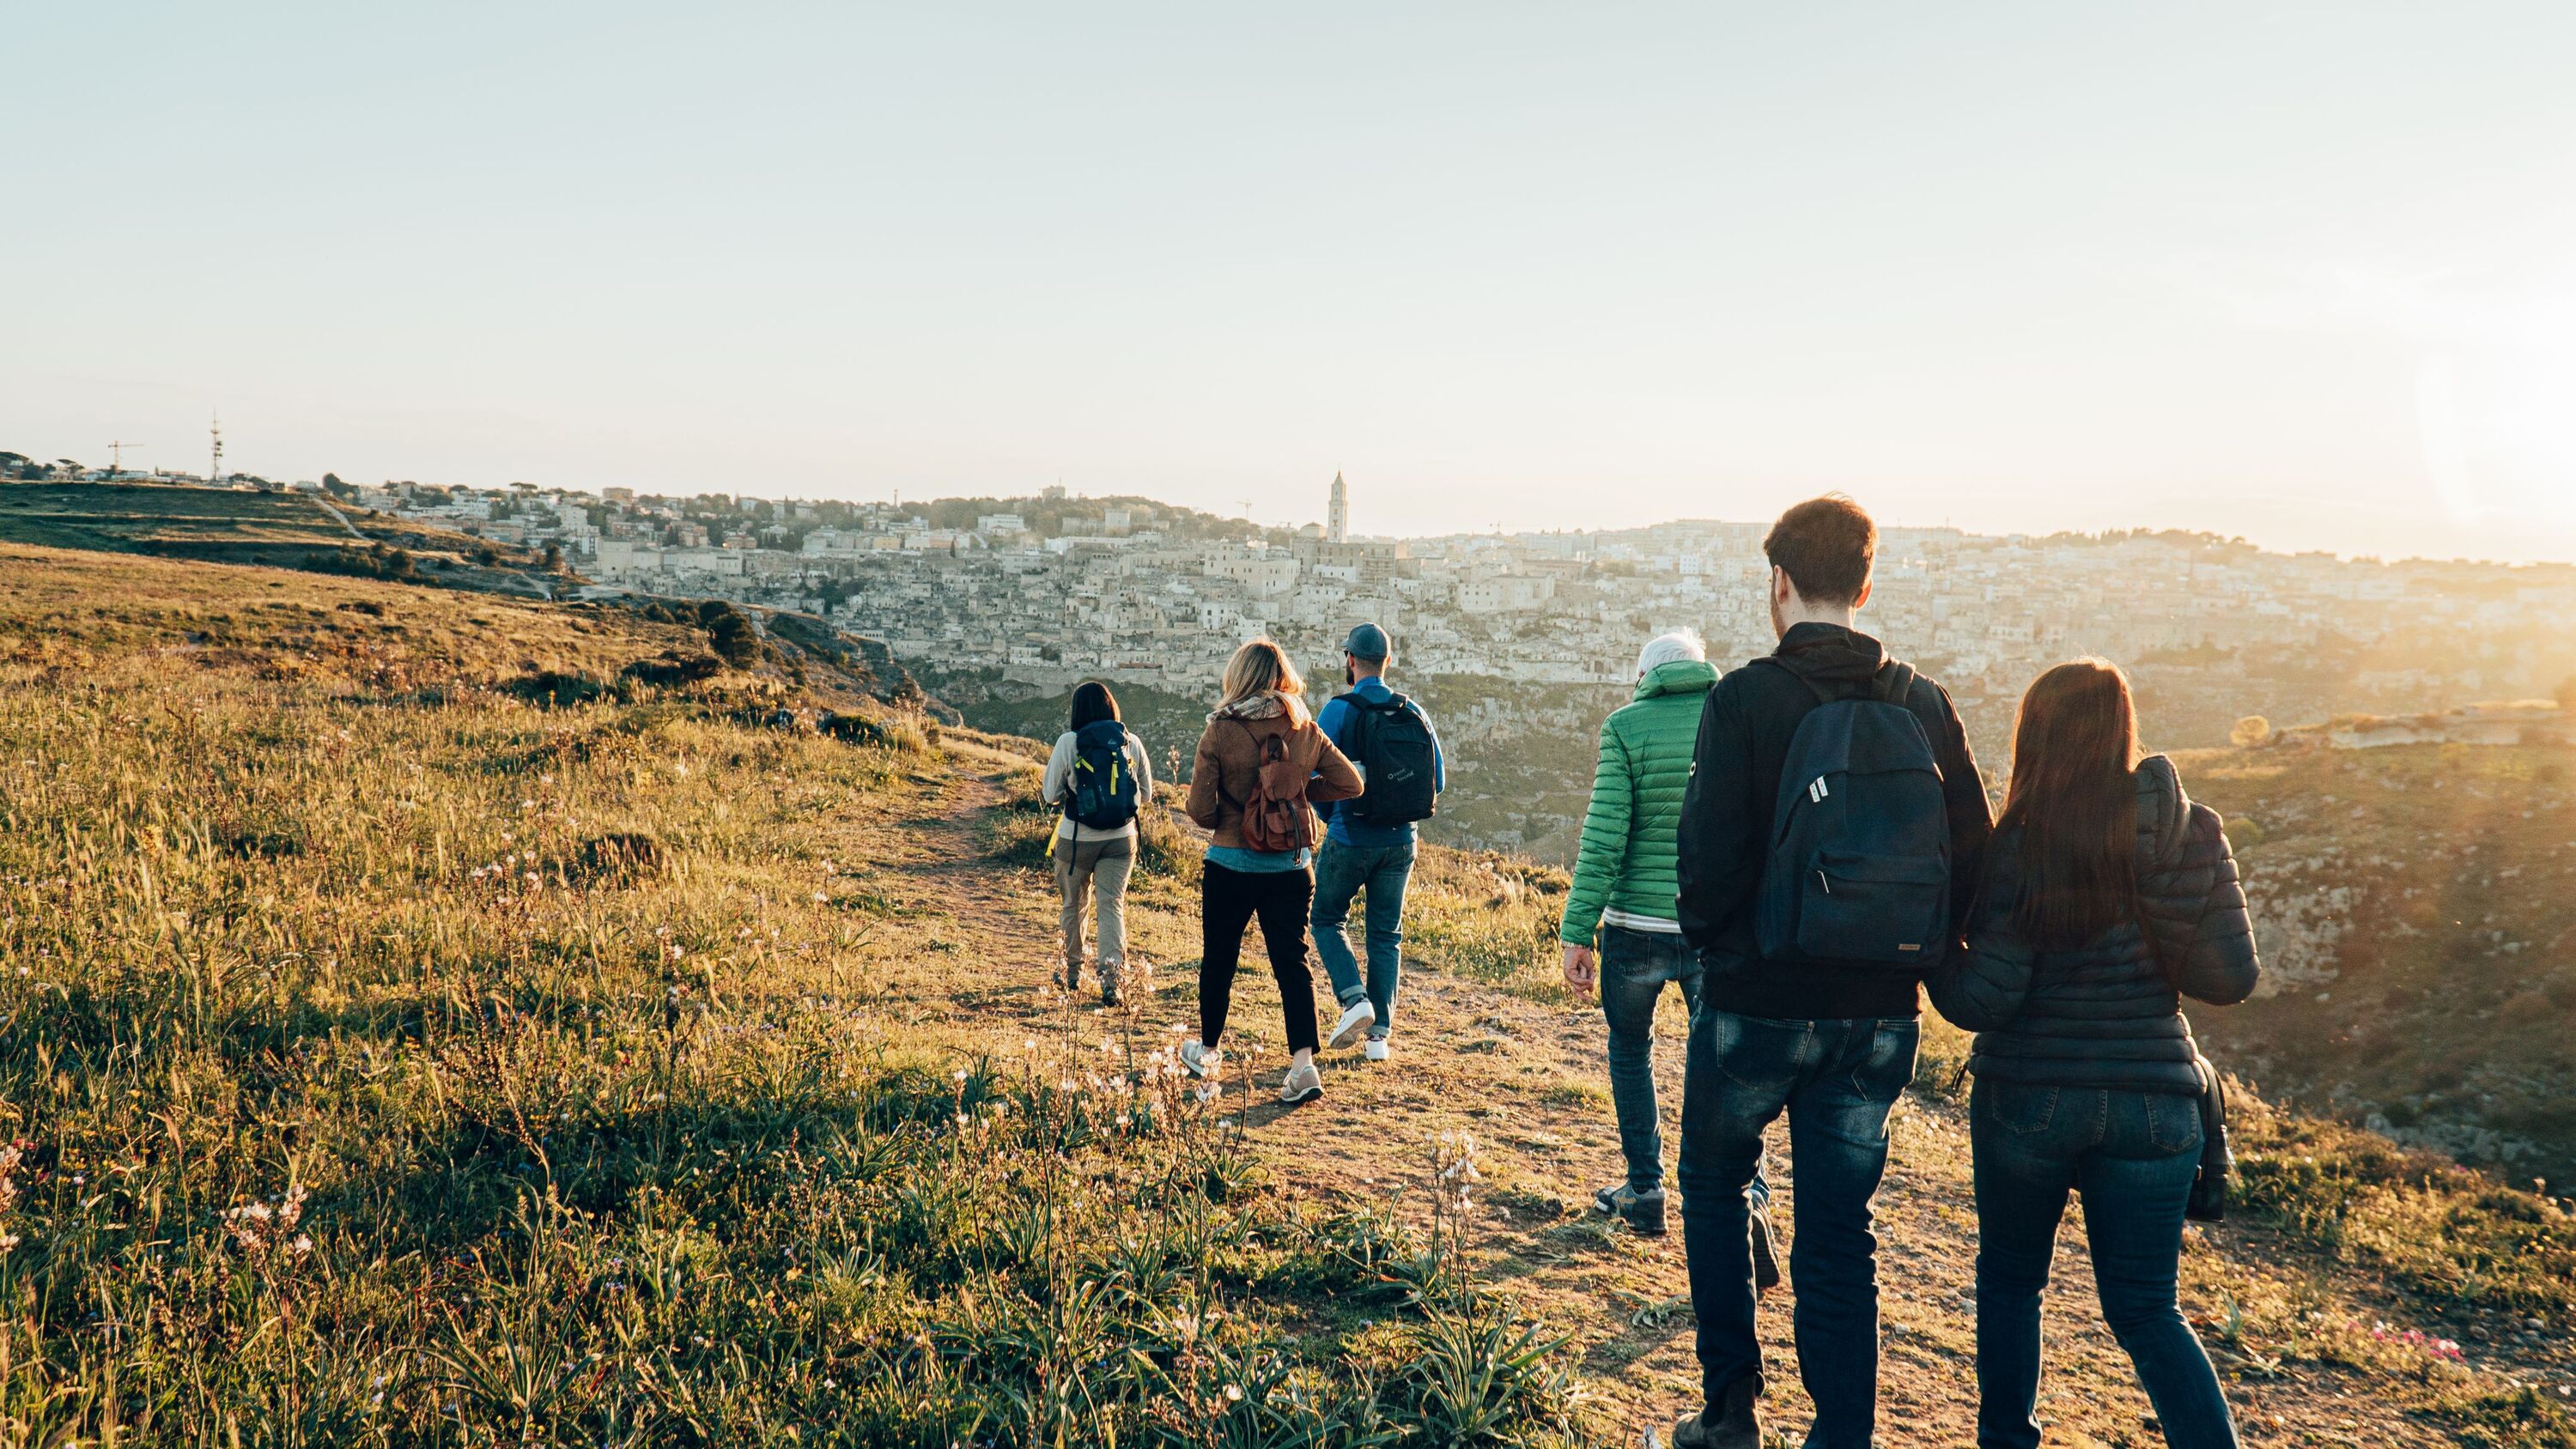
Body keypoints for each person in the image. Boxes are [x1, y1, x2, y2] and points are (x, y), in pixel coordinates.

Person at [1668, 494, 1994, 1449]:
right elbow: (1972, 854)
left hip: (1756, 1004)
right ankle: (1842, 1429)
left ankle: (1731, 1409)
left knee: (1717, 1186)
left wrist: (1725, 946)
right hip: (1879, 1013)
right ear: (1864, 582)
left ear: (1778, 582)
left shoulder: (1743, 698)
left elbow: (1706, 867)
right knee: (1840, 1228)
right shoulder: (1923, 702)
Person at [1927, 660, 2258, 1449]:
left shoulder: (2024, 841)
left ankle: (2009, 1438)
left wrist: (1934, 950)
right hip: (2156, 1100)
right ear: (2122, 726)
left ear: (2035, 735)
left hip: (2031, 1096)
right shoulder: (2190, 831)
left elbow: (1987, 1000)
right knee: (2148, 1308)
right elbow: (2230, 977)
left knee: (2012, 1282)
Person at [1558, 631, 1778, 1278]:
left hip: (1637, 929)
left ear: (1645, 675)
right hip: (1718, 929)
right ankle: (1752, 1196)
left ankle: (1646, 1190)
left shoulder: (1626, 727)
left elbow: (1604, 835)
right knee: (1731, 1060)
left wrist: (1578, 930)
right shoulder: (1735, 718)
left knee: (1632, 1050)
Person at [1182, 639, 1363, 1105]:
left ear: (1238, 675)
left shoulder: (1220, 731)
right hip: (1291, 866)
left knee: (1219, 961)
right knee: (1292, 965)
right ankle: (1304, 1065)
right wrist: (1296, 793)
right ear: (1283, 676)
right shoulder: (1304, 725)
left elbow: (1200, 811)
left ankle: (1207, 1054)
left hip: (1229, 864)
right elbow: (1351, 783)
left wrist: (1237, 810)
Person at [1310, 622, 1444, 1063]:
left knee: (1328, 919)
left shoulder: (1338, 711)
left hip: (1350, 836)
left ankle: (1354, 1001)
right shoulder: (1414, 711)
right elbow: (1436, 781)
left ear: (1350, 660)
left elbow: (1313, 779)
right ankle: (1379, 1038)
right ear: (1388, 661)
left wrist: (1333, 820)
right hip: (1401, 841)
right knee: (1386, 934)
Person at [1038, 681, 1154, 1005]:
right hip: (1121, 840)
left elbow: (1050, 795)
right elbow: (1145, 794)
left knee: (1073, 905)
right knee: (1111, 905)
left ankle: (1070, 973)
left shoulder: (1069, 742)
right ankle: (1113, 982)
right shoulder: (1131, 742)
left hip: (1076, 840)